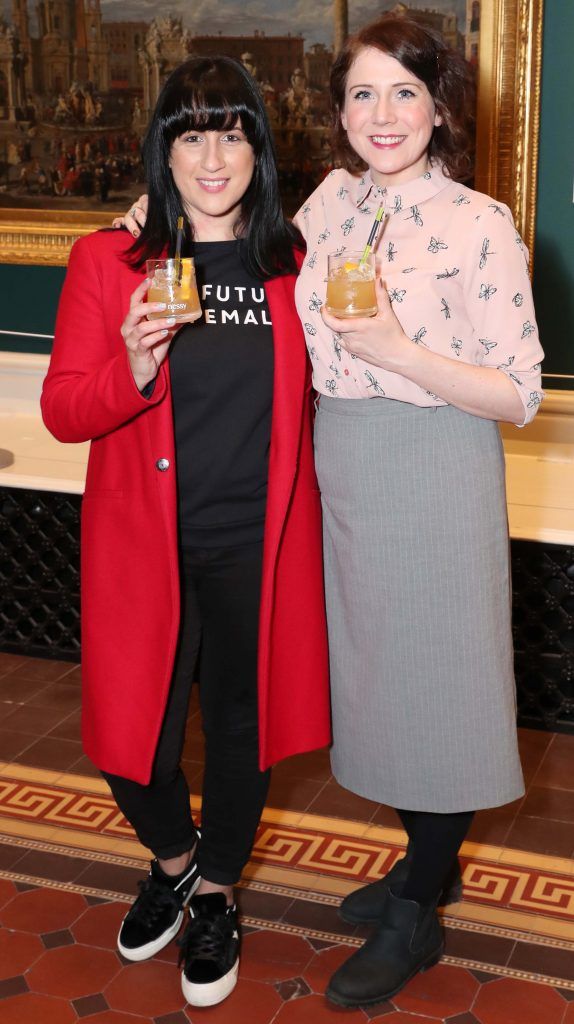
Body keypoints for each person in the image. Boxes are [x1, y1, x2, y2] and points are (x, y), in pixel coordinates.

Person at [119, 15, 544, 1009]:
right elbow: (236, 218)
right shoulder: (334, 200)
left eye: (404, 92)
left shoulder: (477, 221)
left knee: (437, 686)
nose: (382, 114)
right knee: (373, 685)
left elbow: (519, 392)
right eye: (362, 94)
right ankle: (413, 866)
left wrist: (397, 351)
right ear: (340, 114)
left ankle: (420, 902)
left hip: (433, 463)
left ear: (440, 106)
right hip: (333, 464)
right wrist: (142, 215)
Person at [41, 56, 330, 1009]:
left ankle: (214, 894)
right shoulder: (108, 259)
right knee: (135, 737)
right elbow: (64, 411)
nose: (213, 156)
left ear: (259, 144)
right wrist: (128, 359)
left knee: (245, 734)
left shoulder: (296, 262)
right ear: (162, 151)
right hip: (145, 546)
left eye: (232, 131)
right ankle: (171, 859)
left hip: (261, 545)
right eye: (190, 134)